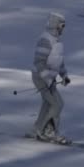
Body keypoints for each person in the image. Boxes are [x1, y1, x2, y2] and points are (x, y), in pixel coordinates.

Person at [30, 12, 72, 144]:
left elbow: (59, 61)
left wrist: (64, 75)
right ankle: (48, 131)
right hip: (41, 77)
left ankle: (38, 128)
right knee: (57, 103)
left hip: (48, 78)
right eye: (62, 25)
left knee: (49, 102)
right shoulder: (45, 39)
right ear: (56, 25)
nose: (63, 28)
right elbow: (39, 62)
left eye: (64, 26)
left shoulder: (55, 40)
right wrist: (47, 79)